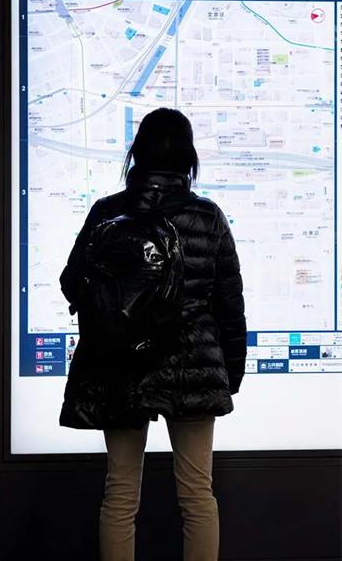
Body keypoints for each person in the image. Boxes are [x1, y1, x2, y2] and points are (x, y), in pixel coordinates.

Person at [58, 107, 247, 561]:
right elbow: (229, 305)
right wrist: (230, 374)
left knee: (120, 492)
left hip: (121, 367)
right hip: (193, 365)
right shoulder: (208, 217)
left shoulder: (108, 212)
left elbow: (72, 282)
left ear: (137, 154)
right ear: (188, 158)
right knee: (197, 494)